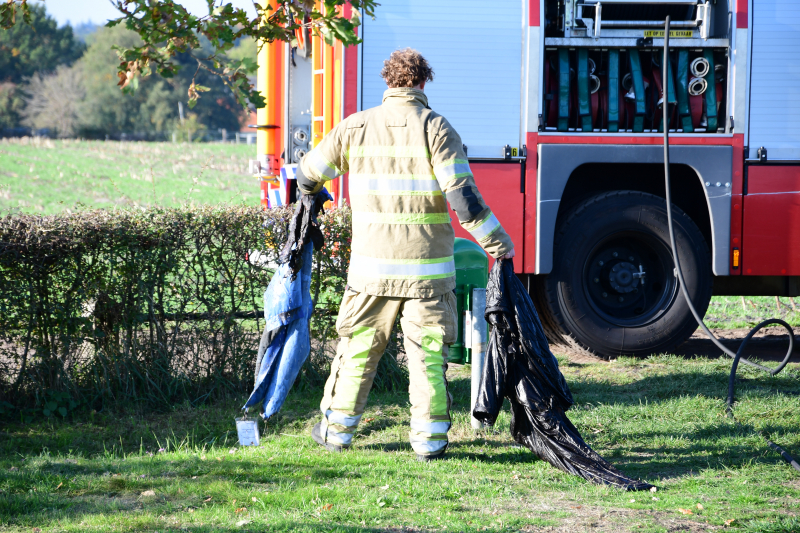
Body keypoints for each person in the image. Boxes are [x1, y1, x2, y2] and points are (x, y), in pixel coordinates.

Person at [296, 48, 515, 461]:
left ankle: (337, 432)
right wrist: (499, 245)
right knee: (428, 357)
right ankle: (429, 441)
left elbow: (308, 173)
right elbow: (465, 203)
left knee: (358, 350)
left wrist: (311, 193)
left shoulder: (355, 126)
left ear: (388, 81)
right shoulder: (436, 128)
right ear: (422, 83)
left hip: (369, 274)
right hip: (427, 275)